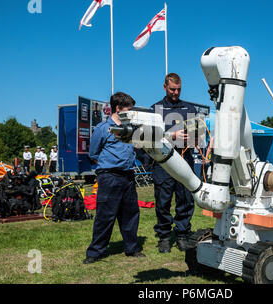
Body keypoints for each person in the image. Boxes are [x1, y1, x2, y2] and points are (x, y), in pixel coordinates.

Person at [84, 91, 145, 264]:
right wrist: (110, 164)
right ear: (117, 109)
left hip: (128, 176)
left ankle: (132, 248)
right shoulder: (102, 129)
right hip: (109, 176)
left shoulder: (131, 128)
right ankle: (95, 252)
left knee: (131, 214)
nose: (131, 113)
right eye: (128, 110)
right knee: (105, 216)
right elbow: (93, 153)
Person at [151, 73, 197, 253]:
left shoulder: (190, 108)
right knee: (163, 201)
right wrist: (172, 136)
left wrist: (194, 137)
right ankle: (164, 236)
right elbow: (148, 137)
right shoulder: (155, 110)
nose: (176, 92)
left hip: (185, 160)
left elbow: (198, 136)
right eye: (172, 89)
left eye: (178, 89)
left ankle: (182, 234)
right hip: (163, 163)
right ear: (164, 87)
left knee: (185, 199)